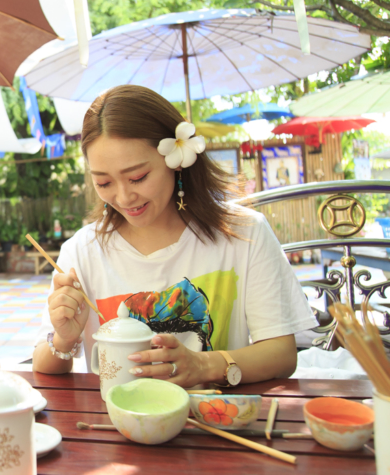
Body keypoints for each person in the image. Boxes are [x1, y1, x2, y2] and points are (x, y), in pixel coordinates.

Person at [33, 86, 317, 388]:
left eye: (138, 177)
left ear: (176, 160)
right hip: (118, 427)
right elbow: (42, 364)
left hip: (216, 424)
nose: (124, 196)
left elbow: (282, 355)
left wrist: (202, 365)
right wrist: (65, 338)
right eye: (103, 182)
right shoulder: (82, 251)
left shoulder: (245, 234)